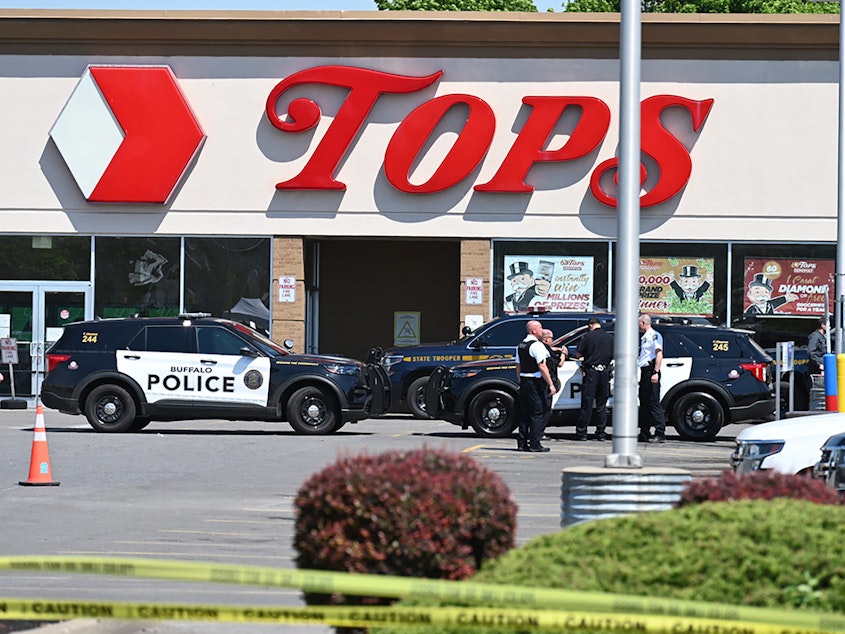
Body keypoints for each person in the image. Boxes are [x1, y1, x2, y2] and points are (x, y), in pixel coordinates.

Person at [515, 320, 556, 452]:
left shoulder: (521, 345)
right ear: (533, 330)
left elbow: (518, 365)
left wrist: (520, 379)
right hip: (535, 383)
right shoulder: (537, 346)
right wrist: (550, 384)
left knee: (524, 414)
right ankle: (535, 443)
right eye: (540, 328)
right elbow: (542, 366)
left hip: (525, 381)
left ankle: (521, 442)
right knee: (537, 413)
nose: (542, 330)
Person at [574, 317, 613, 441]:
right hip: (605, 373)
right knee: (602, 404)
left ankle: (582, 433)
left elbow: (578, 354)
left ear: (590, 325)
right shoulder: (610, 338)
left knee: (587, 403)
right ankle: (601, 433)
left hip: (591, 372)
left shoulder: (588, 337)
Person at [638, 314, 666, 443]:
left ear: (644, 323)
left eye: (639, 323)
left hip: (651, 371)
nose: (638, 326)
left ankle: (660, 433)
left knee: (653, 402)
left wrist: (656, 371)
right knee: (644, 403)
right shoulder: (644, 337)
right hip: (644, 372)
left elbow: (659, 354)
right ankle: (644, 432)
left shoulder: (654, 336)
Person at [540, 328, 564, 434]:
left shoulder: (537, 346)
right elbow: (559, 363)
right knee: (545, 409)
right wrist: (564, 353)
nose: (552, 340)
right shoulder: (546, 349)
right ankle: (540, 432)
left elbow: (549, 349)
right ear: (546, 339)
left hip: (535, 382)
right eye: (551, 338)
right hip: (546, 383)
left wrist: (557, 349)